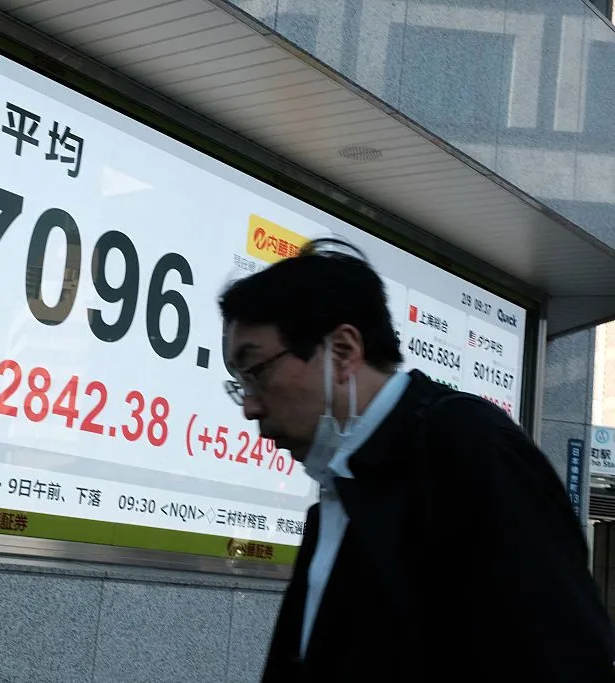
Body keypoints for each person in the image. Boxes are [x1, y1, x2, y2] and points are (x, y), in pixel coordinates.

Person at [218, 237, 615, 682]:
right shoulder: (341, 494)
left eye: (256, 372)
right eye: (239, 383)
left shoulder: (469, 448)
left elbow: (566, 657)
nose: (249, 406)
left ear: (343, 351)